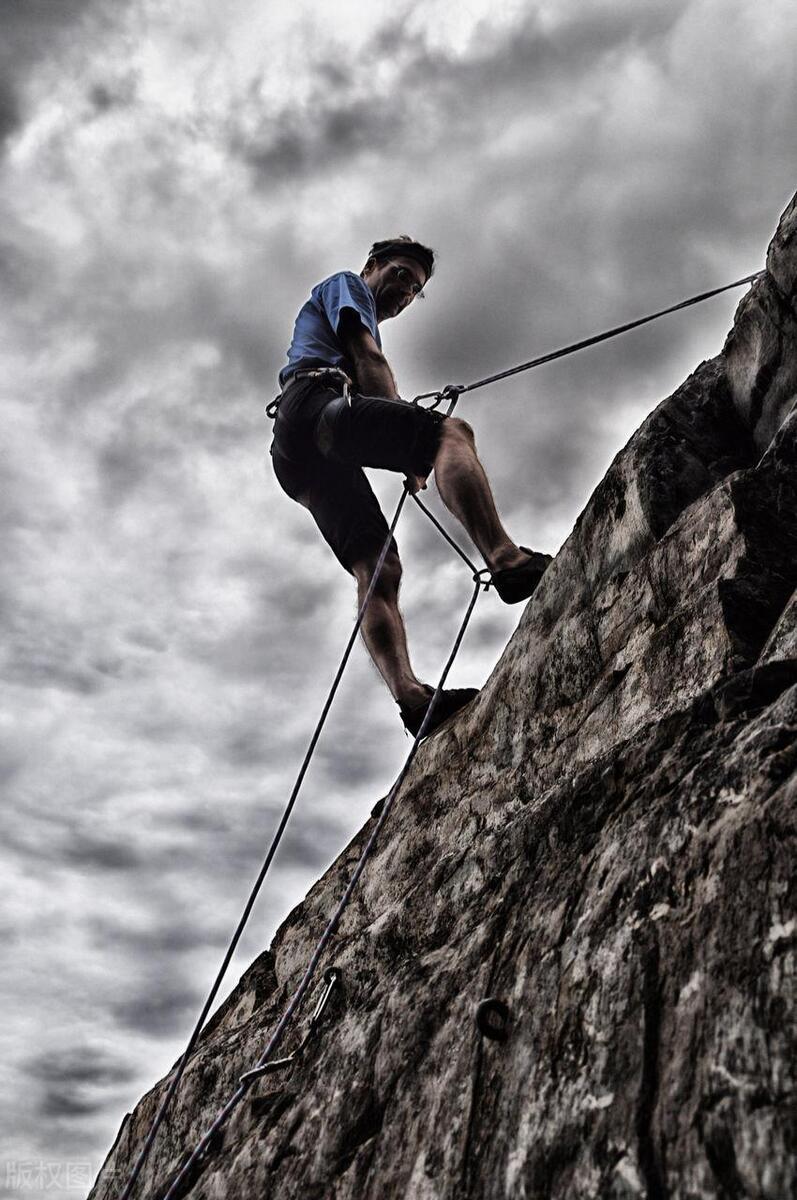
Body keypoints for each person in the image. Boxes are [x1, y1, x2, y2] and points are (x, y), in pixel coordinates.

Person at [270, 236, 550, 737]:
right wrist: (408, 444)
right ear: (373, 265)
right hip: (315, 403)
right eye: (400, 274)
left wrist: (398, 434)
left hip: (297, 452)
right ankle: (507, 560)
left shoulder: (340, 315)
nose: (404, 291)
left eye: (415, 289)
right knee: (450, 433)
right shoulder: (346, 286)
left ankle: (412, 700)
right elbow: (367, 357)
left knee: (378, 563)